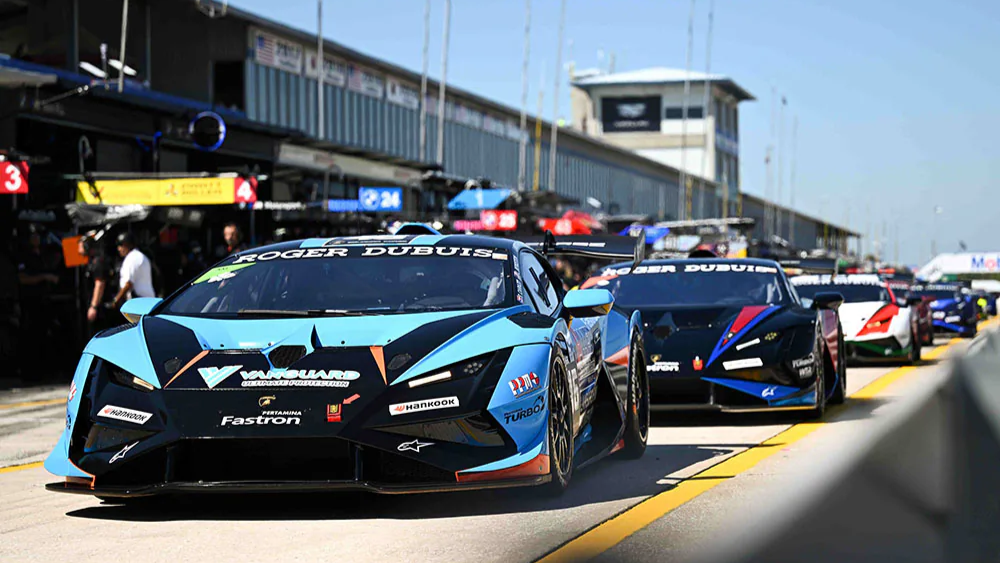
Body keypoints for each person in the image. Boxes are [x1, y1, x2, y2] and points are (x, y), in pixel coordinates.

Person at [78, 234, 112, 333]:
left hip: (99, 309)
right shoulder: (90, 262)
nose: (78, 250)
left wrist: (94, 306)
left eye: (80, 246)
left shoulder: (98, 262)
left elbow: (99, 284)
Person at [112, 232, 155, 307]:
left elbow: (128, 283)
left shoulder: (132, 258)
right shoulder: (141, 256)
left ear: (129, 245)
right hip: (147, 301)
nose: (119, 249)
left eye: (121, 245)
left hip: (139, 303)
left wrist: (116, 299)